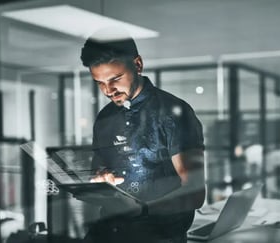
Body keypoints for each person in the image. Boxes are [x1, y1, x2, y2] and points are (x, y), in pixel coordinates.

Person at [79, 28, 206, 243]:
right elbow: (98, 170)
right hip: (109, 232)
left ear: (137, 65)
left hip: (161, 237)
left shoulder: (174, 113)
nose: (108, 90)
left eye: (115, 78)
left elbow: (194, 192)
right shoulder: (104, 118)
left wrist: (143, 210)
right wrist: (98, 179)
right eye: (100, 83)